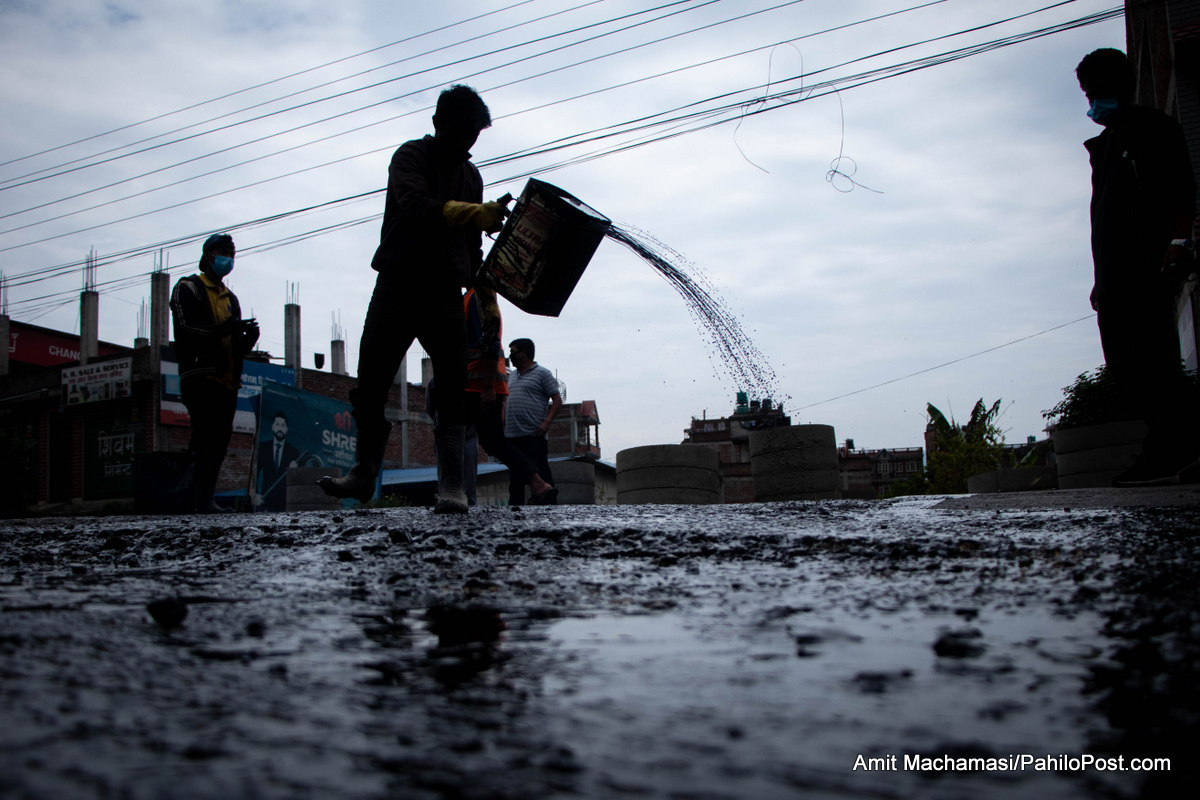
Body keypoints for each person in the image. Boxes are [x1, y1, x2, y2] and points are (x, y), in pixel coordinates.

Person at [319, 84, 510, 513]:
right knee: (370, 385)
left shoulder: (471, 176)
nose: (467, 144)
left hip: (444, 291)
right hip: (398, 285)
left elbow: (472, 246)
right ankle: (365, 472)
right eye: (462, 133)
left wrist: (486, 293)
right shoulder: (409, 158)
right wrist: (472, 214)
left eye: (473, 136)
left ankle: (451, 484)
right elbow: (416, 206)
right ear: (439, 124)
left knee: (451, 389)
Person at [1076, 48, 1199, 486]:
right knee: (1126, 367)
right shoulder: (1105, 147)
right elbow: (1105, 220)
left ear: (1117, 88)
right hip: (1114, 275)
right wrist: (1100, 279)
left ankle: (1174, 446)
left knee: (1153, 360)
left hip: (1147, 266)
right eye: (1086, 94)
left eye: (1095, 92)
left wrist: (1179, 243)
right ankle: (1165, 444)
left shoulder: (1153, 129)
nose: (1090, 102)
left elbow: (1183, 189)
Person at [170, 233, 259, 512]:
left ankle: (204, 497)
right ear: (208, 256)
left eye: (232, 255)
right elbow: (187, 330)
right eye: (223, 253)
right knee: (203, 437)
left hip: (228, 380)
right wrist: (226, 329)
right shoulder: (189, 288)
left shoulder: (230, 298)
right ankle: (190, 499)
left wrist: (248, 338)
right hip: (200, 376)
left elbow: (234, 348)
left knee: (219, 441)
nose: (228, 260)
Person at [504, 337, 562, 505]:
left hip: (533, 434)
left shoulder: (542, 373)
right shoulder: (512, 376)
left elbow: (557, 400)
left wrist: (547, 422)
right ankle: (515, 515)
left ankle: (550, 508)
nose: (510, 356)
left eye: (513, 352)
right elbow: (507, 401)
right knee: (515, 480)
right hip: (512, 435)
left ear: (524, 353)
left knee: (541, 472)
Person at [255, 410, 300, 511]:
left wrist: (294, 472)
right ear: (273, 426)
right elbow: (255, 472)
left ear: (287, 429)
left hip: (284, 504)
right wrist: (255, 494)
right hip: (265, 501)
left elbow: (297, 482)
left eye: (283, 425)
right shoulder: (263, 448)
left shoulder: (294, 452)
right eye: (277, 424)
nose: (280, 428)